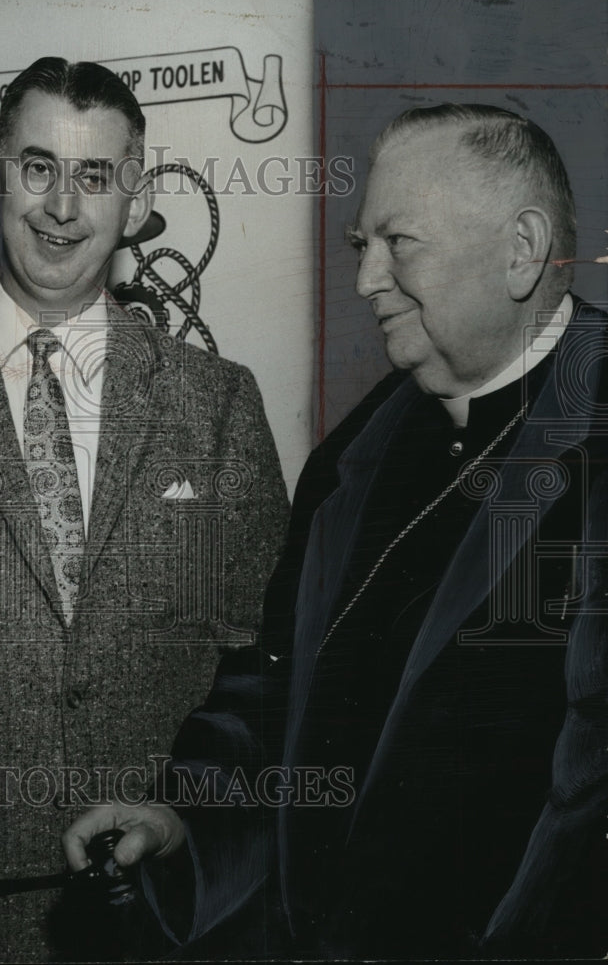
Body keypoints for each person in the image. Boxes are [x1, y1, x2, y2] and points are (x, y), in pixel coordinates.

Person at [64, 103, 608, 959]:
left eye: (401, 243)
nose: (366, 281)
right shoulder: (354, 453)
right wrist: (182, 813)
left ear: (523, 248)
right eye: (363, 246)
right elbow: (267, 690)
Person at [0, 57, 289, 960]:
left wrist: (183, 812)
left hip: (163, 915)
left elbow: (256, 661)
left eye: (95, 176)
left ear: (134, 195)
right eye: (37, 167)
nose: (61, 207)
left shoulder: (216, 403)